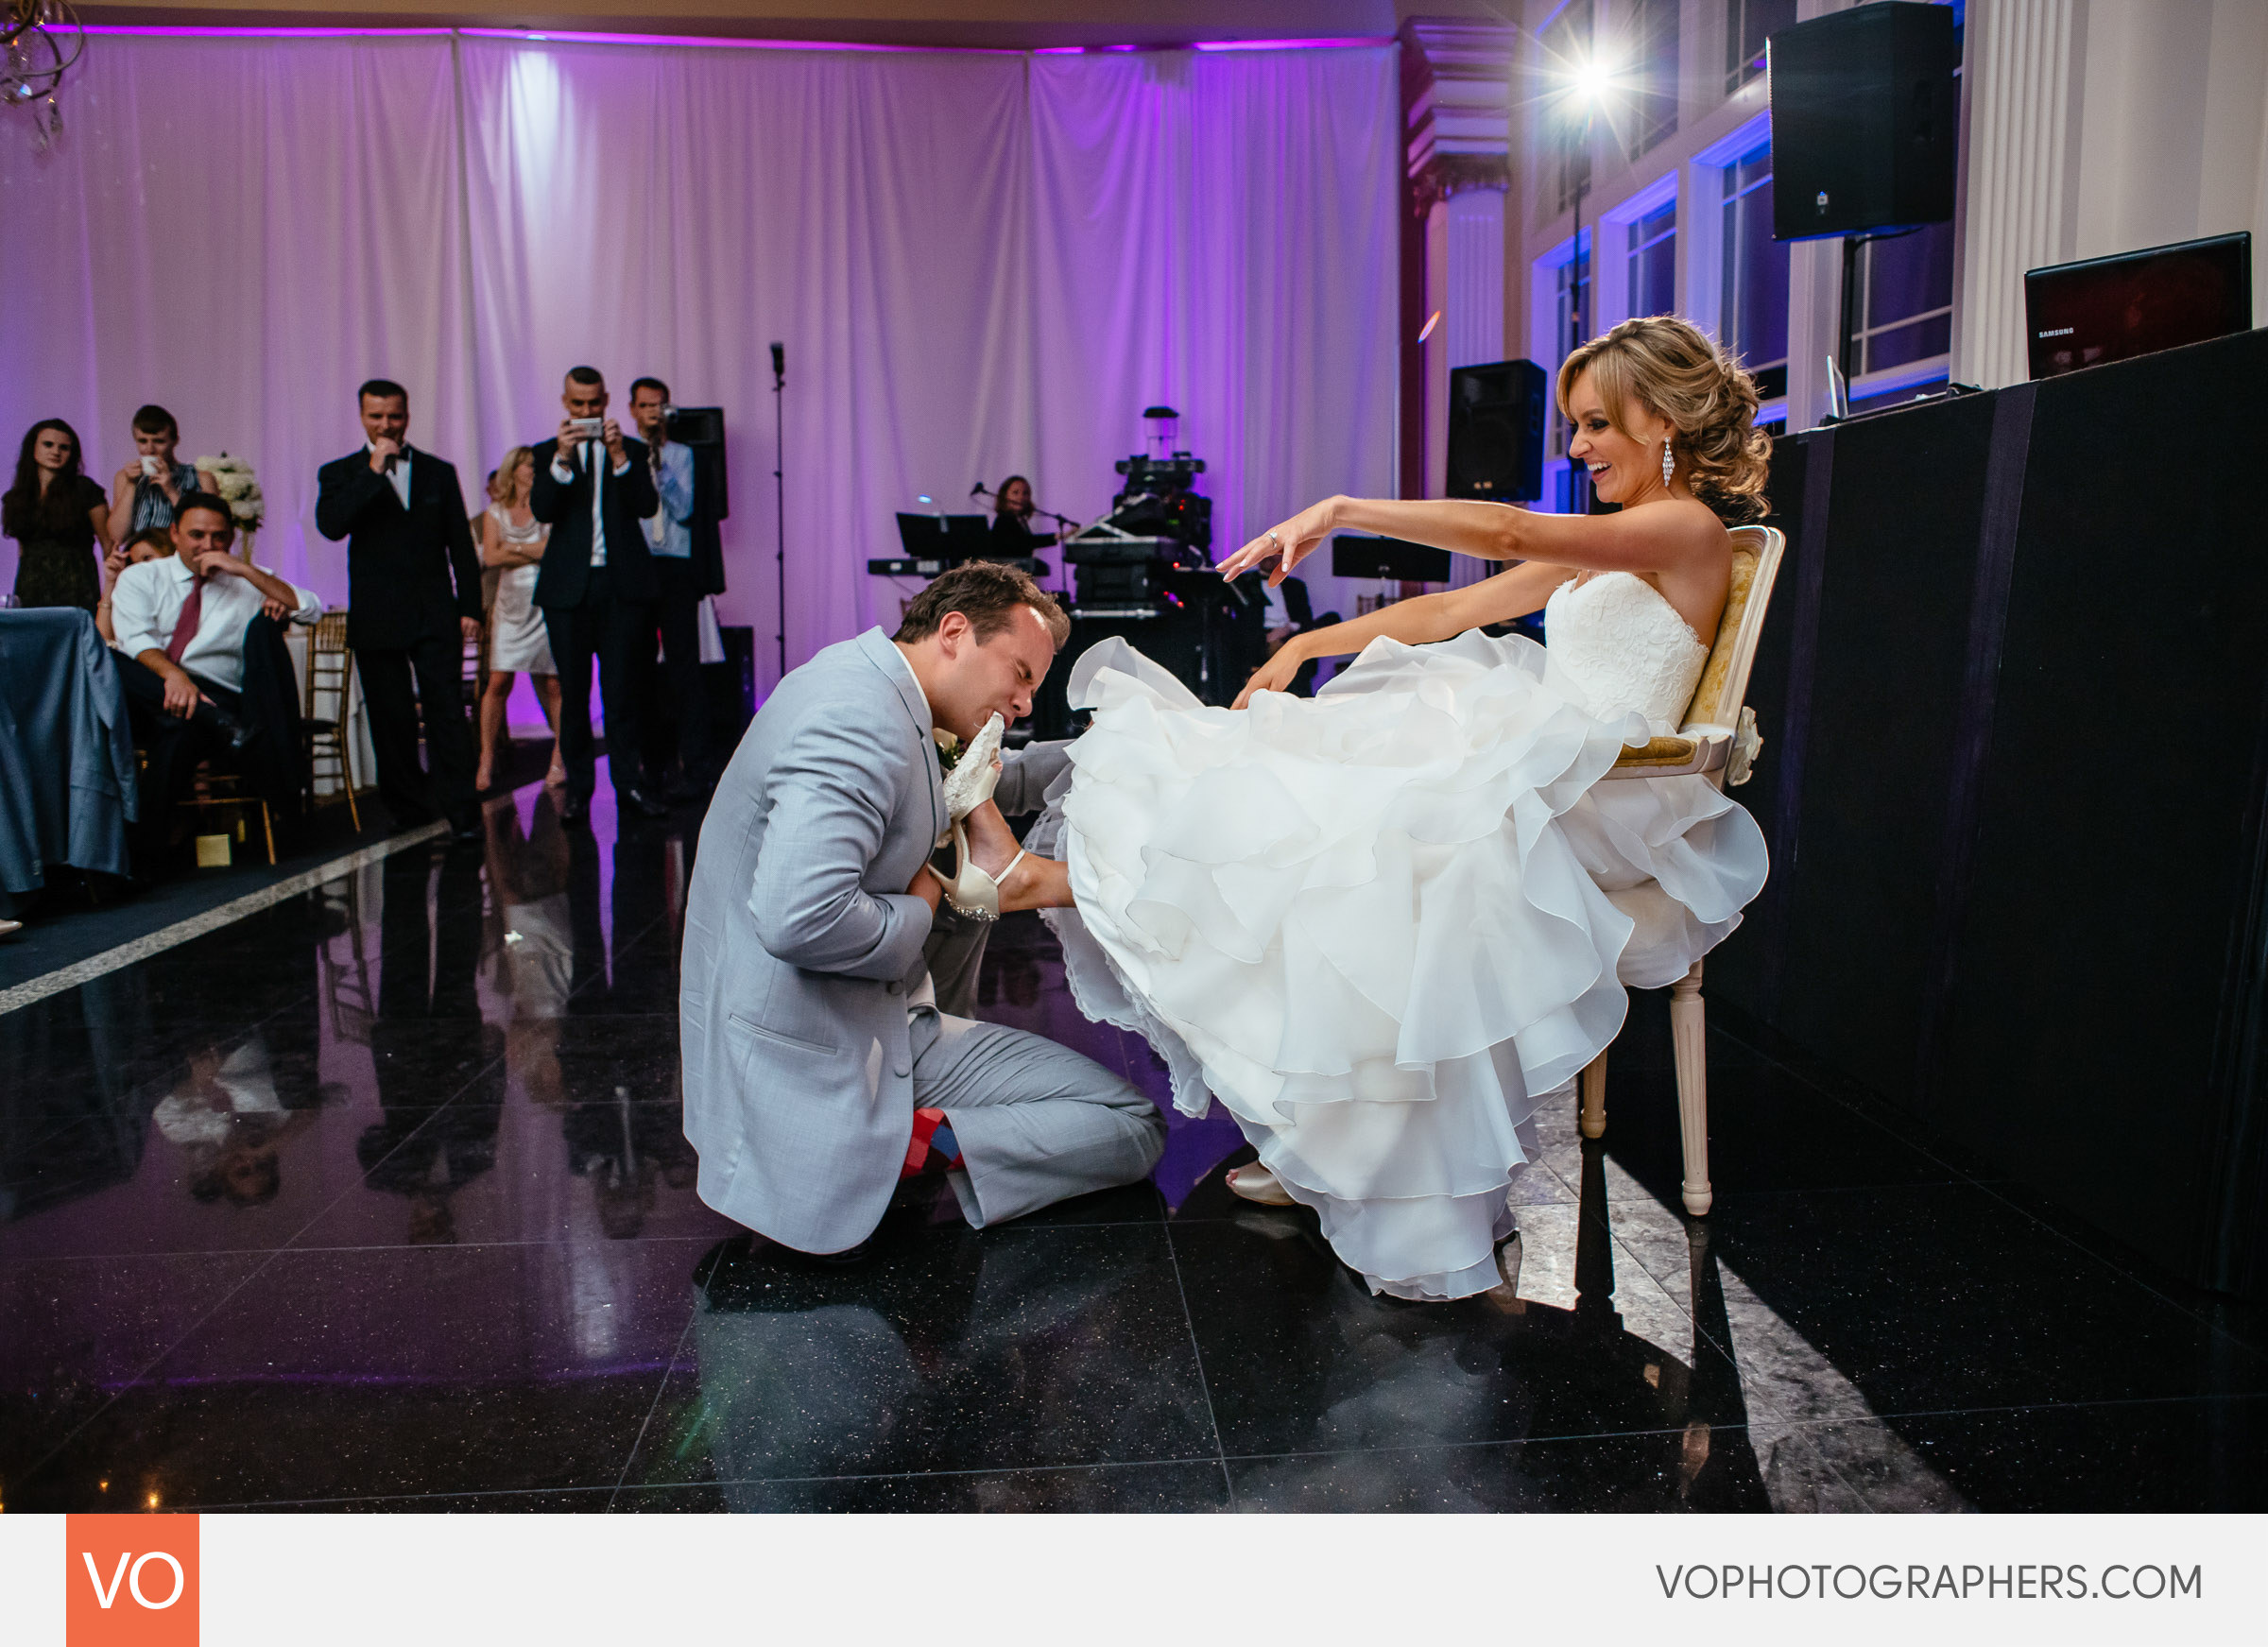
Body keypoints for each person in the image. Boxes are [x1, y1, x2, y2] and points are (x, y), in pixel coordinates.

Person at [987, 315, 1774, 1301]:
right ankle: (1329, 1133)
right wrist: (1311, 649)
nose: (1576, 447)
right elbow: (1451, 611)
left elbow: (1509, 529)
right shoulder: (1611, 546)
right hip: (1546, 768)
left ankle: (1355, 1146)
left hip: (1608, 796)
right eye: (1575, 425)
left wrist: (1345, 507)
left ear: (1661, 418)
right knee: (1333, 825)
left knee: (1389, 845)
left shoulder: (1686, 530)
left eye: (1595, 424)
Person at [680, 560, 1165, 1257]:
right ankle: (908, 1140)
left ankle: (913, 1132)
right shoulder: (860, 721)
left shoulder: (880, 688)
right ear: (955, 631)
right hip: (833, 1039)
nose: (1026, 701)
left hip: (839, 1012)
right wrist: (929, 891)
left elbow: (995, 776)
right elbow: (800, 918)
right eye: (1021, 674)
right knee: (1131, 1123)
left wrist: (1146, 752)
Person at [110, 494, 320, 876]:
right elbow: (135, 640)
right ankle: (215, 720)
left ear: (231, 539)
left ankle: (139, 861)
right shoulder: (141, 576)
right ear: (174, 533)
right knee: (107, 659)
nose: (208, 546)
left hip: (219, 693)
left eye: (219, 537)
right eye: (197, 535)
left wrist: (248, 573)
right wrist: (175, 677)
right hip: (153, 688)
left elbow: (310, 609)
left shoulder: (247, 580)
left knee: (179, 730)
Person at [315, 379, 485, 843]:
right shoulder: (339, 472)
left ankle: (463, 812)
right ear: (362, 416)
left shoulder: (438, 471)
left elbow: (461, 547)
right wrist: (372, 473)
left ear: (407, 415)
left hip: (434, 613)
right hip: (377, 616)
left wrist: (470, 607)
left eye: (394, 416)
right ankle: (408, 810)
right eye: (377, 417)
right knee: (391, 719)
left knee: (448, 713)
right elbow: (331, 526)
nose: (386, 425)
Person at [530, 366, 667, 824]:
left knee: (623, 690)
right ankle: (578, 791)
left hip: (622, 587)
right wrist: (563, 460)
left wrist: (618, 458)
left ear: (606, 401)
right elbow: (543, 509)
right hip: (567, 590)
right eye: (578, 404)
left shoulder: (627, 448)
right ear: (565, 403)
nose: (587, 411)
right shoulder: (548, 452)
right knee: (572, 692)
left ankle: (629, 783)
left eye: (594, 403)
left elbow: (646, 506)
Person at [626, 375, 721, 798]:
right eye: (645, 406)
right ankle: (650, 765)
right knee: (638, 670)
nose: (652, 413)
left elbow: (684, 511)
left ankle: (697, 767)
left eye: (658, 406)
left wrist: (659, 467)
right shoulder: (622, 456)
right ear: (632, 410)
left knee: (685, 668)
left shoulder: (686, 456)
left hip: (677, 567)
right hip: (638, 567)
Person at [474, 446, 564, 793]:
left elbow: (550, 549)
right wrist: (530, 551)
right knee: (498, 681)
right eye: (529, 465)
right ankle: (486, 757)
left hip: (543, 602)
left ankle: (560, 753)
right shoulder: (494, 512)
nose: (533, 471)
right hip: (510, 606)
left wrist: (514, 550)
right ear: (515, 469)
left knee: (553, 684)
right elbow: (492, 556)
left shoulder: (546, 509)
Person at [4, 418, 112, 610]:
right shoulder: (17, 496)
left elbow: (108, 542)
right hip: (31, 585)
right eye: (48, 445)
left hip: (76, 584)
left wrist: (112, 590)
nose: (56, 452)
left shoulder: (84, 489)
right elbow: (23, 548)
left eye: (64, 447)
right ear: (33, 448)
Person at [106, 403, 218, 543]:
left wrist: (171, 490)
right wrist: (131, 485)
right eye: (142, 441)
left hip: (181, 559)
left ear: (175, 441)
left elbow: (211, 529)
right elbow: (116, 537)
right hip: (140, 560)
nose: (149, 449)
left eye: (159, 441)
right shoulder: (124, 477)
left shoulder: (202, 478)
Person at [94, 526, 175, 646]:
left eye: (147, 558)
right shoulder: (134, 593)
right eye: (134, 564)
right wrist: (111, 582)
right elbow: (103, 643)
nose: (139, 568)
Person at [987, 474, 1057, 560]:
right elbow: (1023, 543)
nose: (1021, 497)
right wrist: (1055, 537)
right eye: (1015, 493)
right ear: (1005, 496)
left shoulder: (1020, 520)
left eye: (1025, 493)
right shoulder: (1003, 520)